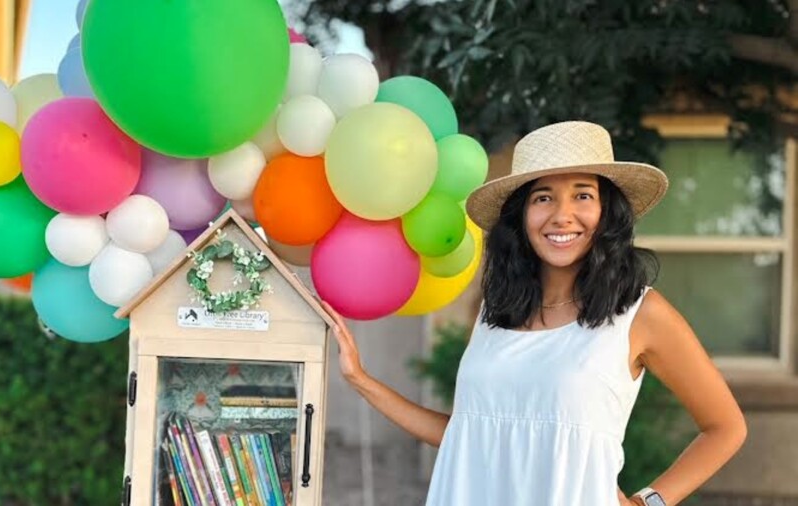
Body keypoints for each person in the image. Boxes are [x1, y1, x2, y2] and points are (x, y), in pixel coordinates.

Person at [320, 121, 747, 506]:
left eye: (583, 194)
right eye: (543, 197)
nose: (562, 215)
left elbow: (726, 427)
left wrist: (647, 503)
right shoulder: (495, 312)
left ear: (607, 212)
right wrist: (360, 380)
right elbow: (470, 435)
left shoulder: (641, 313)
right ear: (522, 215)